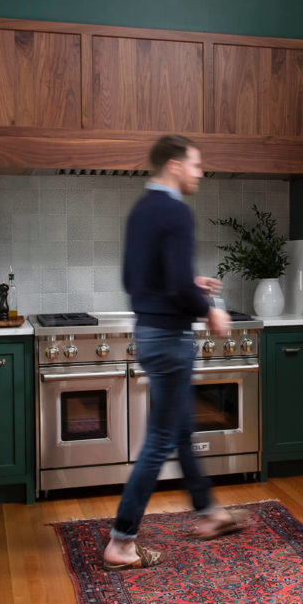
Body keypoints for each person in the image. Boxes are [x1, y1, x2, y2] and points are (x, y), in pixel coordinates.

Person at [103, 134, 236, 570]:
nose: (200, 172)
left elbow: (134, 279)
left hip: (149, 332)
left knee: (178, 429)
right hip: (171, 339)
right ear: (176, 166)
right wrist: (209, 311)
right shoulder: (177, 211)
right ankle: (122, 541)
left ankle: (210, 513)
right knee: (161, 440)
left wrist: (186, 288)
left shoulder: (141, 210)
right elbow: (178, 283)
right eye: (196, 165)